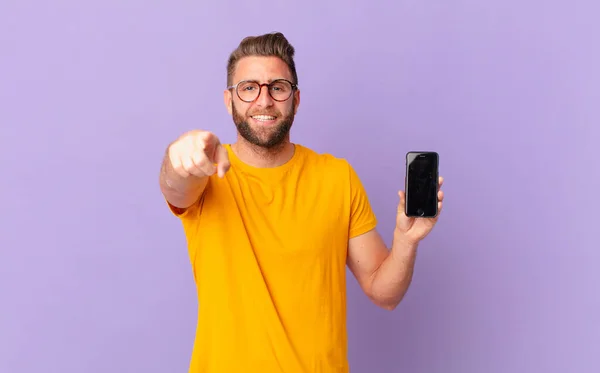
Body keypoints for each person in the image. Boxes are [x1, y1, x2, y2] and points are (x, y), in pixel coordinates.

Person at [158, 32, 444, 373]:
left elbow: (385, 293)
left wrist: (407, 241)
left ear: (295, 99)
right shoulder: (207, 177)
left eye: (277, 87)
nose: (264, 101)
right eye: (248, 88)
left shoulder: (337, 177)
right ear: (228, 100)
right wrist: (181, 155)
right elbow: (175, 186)